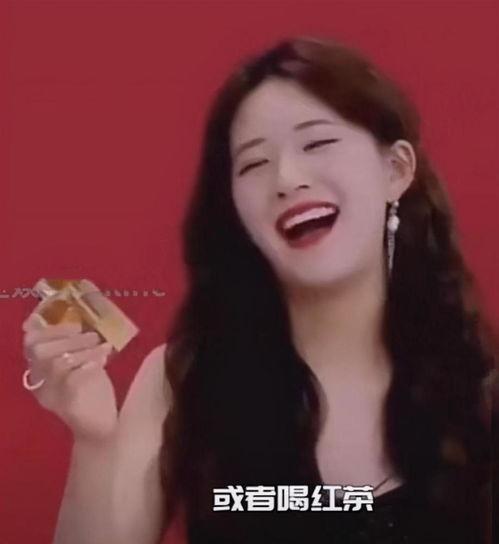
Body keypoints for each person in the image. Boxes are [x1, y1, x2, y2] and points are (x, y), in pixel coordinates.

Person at [21, 36, 497, 544]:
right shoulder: (182, 380)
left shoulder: (481, 391)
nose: (287, 178)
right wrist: (95, 440)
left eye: (317, 143)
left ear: (395, 170)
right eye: (253, 164)